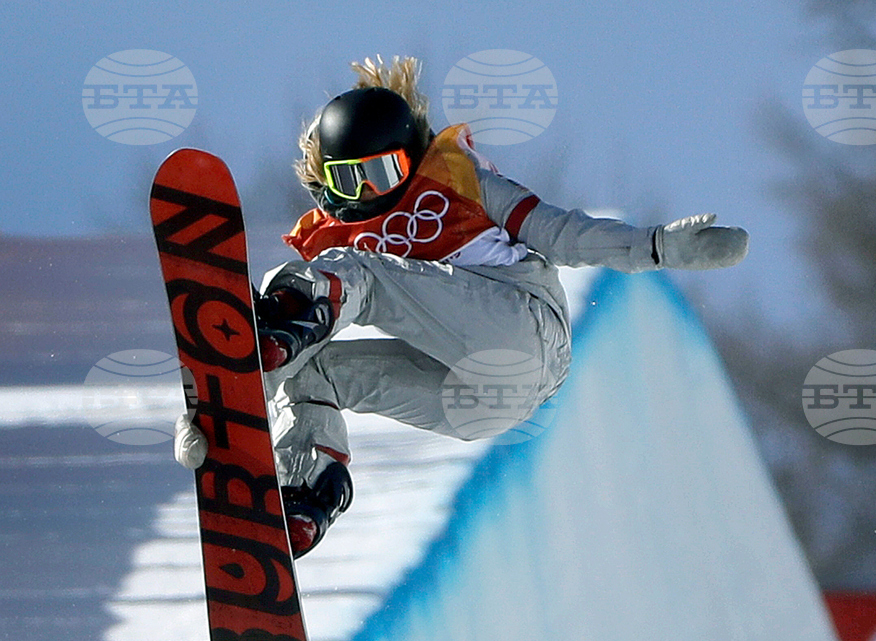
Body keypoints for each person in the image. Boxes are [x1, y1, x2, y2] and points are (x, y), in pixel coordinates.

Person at [174, 55, 749, 558]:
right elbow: (275, 357)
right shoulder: (330, 238)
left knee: (351, 278)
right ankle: (304, 494)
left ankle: (281, 319)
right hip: (482, 402)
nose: (372, 191)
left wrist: (655, 246)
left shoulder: (455, 178)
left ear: (409, 157)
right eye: (353, 179)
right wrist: (217, 408)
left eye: (384, 172)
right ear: (327, 180)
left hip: (521, 327)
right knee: (310, 372)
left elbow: (561, 233)